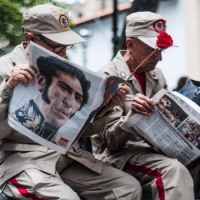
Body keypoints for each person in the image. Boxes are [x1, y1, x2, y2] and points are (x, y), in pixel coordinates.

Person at [0, 4, 142, 200]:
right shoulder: (5, 69)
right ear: (31, 39)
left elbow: (79, 131)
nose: (64, 53)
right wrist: (7, 87)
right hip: (23, 162)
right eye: (58, 47)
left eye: (66, 47)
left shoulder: (67, 72)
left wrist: (107, 105)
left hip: (66, 157)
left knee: (127, 188)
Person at [91, 11, 195, 200]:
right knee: (173, 171)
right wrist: (132, 117)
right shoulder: (107, 75)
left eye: (161, 51)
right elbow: (109, 142)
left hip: (154, 151)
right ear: (130, 43)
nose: (159, 58)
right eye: (152, 50)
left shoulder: (157, 75)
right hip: (118, 156)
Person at [11, 56, 91, 142]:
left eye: (77, 99)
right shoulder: (12, 121)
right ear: (41, 82)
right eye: (64, 88)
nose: (69, 102)